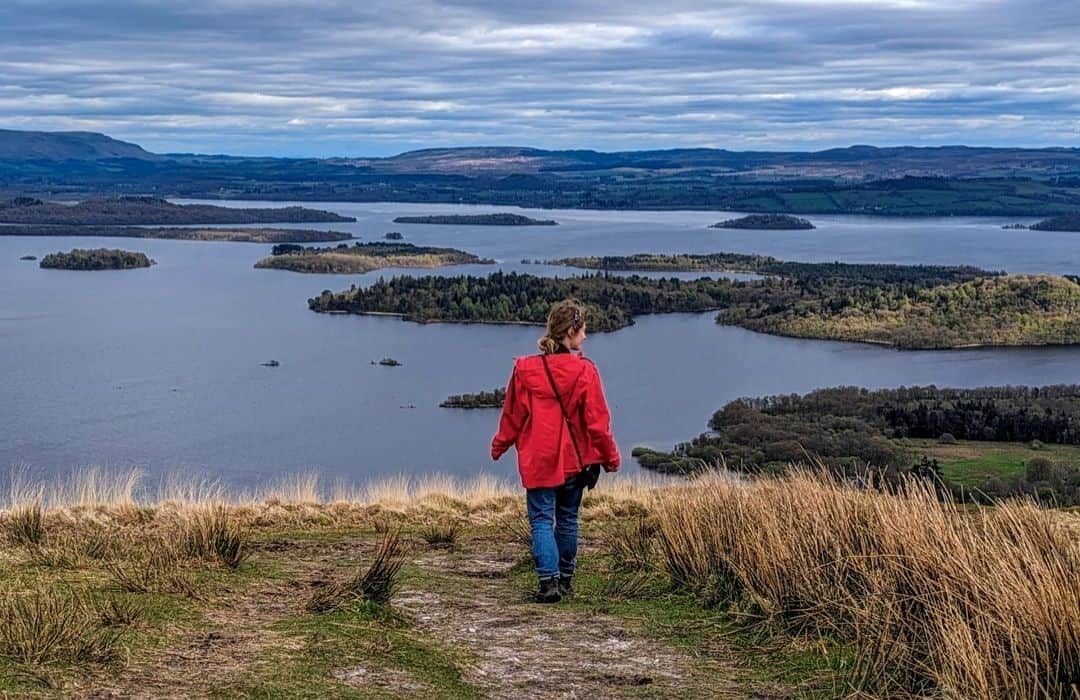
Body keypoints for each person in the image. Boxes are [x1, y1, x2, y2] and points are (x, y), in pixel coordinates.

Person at [490, 299, 620, 603]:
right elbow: (598, 423)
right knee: (568, 520)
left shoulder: (525, 370)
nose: (586, 336)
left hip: (539, 460)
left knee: (540, 521)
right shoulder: (585, 371)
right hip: (575, 462)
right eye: (584, 330)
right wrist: (609, 459)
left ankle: (547, 584)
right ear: (571, 332)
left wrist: (500, 445)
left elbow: (513, 416)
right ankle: (565, 581)